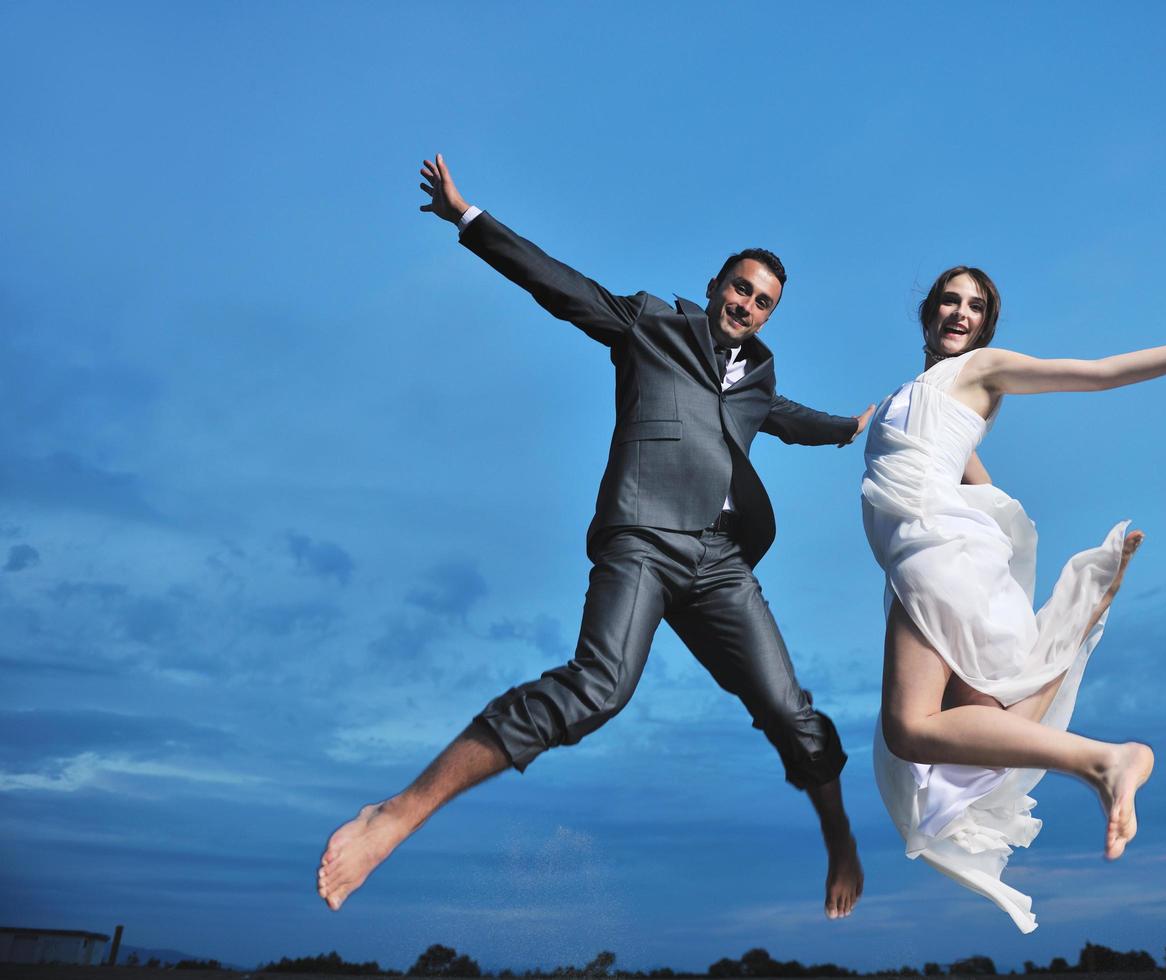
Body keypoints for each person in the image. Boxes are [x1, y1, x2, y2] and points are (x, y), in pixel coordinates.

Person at [317, 155, 874, 918]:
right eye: (741, 288)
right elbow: (559, 284)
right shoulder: (650, 324)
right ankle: (400, 812)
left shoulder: (759, 380)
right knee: (598, 689)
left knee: (789, 709)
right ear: (716, 285)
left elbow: (792, 419)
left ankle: (839, 838)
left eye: (764, 301)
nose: (748, 304)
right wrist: (467, 218)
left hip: (718, 563)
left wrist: (851, 429)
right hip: (642, 541)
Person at [862, 265, 1166, 932]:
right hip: (938, 549)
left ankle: (1106, 758)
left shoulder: (984, 368)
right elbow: (987, 498)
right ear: (928, 313)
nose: (961, 313)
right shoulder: (915, 393)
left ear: (988, 325)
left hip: (933, 549)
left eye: (976, 306)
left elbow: (1098, 372)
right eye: (950, 301)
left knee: (910, 730)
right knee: (976, 724)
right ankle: (1082, 654)